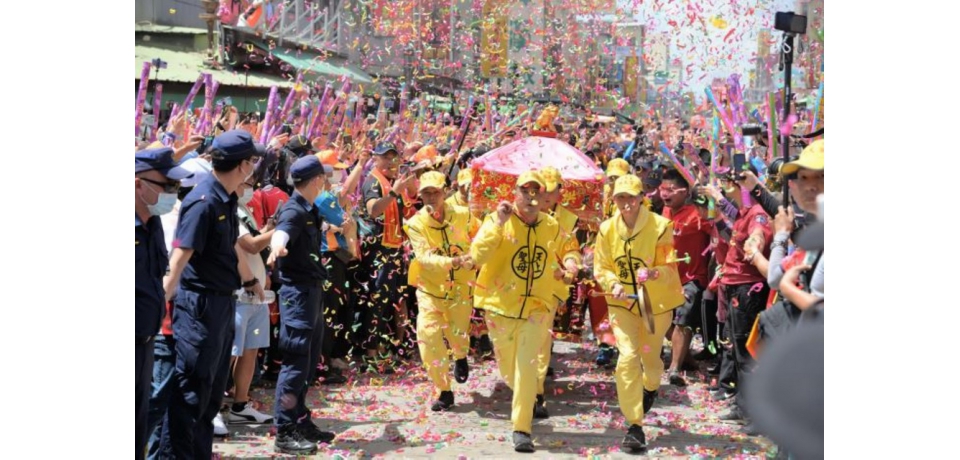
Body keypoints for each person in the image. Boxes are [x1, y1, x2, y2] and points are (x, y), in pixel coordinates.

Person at [161, 130, 263, 459]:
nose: (254, 168)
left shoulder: (226, 198)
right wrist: (159, 306)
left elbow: (230, 246)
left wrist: (248, 280)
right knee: (192, 394)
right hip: (199, 307)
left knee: (210, 395)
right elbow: (179, 259)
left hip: (222, 302)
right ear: (243, 164)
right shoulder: (204, 201)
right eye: (252, 161)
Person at [469, 171, 568, 453]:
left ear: (545, 197)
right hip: (500, 308)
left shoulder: (551, 225)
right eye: (525, 191)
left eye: (537, 192)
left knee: (527, 368)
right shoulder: (497, 219)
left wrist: (568, 269)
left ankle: (521, 428)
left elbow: (564, 254)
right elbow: (478, 256)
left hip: (536, 308)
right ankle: (525, 401)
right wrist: (497, 224)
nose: (531, 197)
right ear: (515, 193)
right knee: (508, 369)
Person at [593, 174, 686, 453]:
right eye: (620, 197)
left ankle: (650, 387)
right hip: (622, 305)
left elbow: (671, 268)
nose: (626, 203)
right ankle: (634, 425)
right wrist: (613, 284)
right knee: (628, 357)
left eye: (631, 197)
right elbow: (602, 266)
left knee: (652, 360)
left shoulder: (660, 227)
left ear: (641, 198)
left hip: (653, 304)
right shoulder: (606, 229)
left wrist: (656, 272)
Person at [266, 155, 336, 454]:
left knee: (307, 363)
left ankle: (300, 418)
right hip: (298, 296)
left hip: (311, 292)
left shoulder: (309, 208)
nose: (327, 182)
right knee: (295, 364)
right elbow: (282, 232)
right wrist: (276, 246)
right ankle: (285, 430)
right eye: (325, 178)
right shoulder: (294, 210)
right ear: (317, 180)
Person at [404, 171, 479, 411]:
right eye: (426, 193)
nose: (431, 197)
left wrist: (476, 258)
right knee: (428, 338)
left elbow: (480, 239)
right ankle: (443, 390)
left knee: (458, 332)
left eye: (435, 192)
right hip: (430, 289)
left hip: (460, 287)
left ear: (445, 191)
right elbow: (423, 257)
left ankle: (460, 356)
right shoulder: (415, 224)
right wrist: (451, 262)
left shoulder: (464, 215)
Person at [135, 147, 192, 460]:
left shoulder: (152, 223)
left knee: (138, 426)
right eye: (166, 186)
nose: (172, 193)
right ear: (137, 184)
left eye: (175, 187)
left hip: (146, 340)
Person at [358, 142, 417, 373]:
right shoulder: (373, 181)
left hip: (396, 250)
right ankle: (370, 355)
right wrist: (393, 192)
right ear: (376, 159)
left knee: (398, 300)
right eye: (387, 157)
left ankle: (392, 348)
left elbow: (410, 206)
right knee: (378, 302)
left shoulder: (395, 182)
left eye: (395, 157)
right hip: (378, 252)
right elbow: (373, 209)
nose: (392, 162)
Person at [225, 175, 276, 425]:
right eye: (245, 183)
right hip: (239, 293)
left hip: (257, 296)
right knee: (229, 354)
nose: (250, 189)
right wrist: (282, 229)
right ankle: (213, 409)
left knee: (250, 351)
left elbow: (255, 242)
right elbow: (251, 246)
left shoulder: (244, 209)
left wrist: (268, 229)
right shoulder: (229, 210)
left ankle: (240, 404)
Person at [534, 166, 582, 419]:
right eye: (540, 190)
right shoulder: (519, 214)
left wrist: (571, 262)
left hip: (548, 288)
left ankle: (536, 393)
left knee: (541, 341)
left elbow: (571, 248)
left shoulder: (567, 219)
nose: (545, 196)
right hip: (515, 288)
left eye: (550, 191)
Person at [659, 169, 713, 387]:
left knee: (683, 319)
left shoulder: (698, 214)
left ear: (685, 191)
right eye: (662, 189)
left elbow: (718, 227)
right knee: (661, 319)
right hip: (667, 277)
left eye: (670, 190)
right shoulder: (665, 211)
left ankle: (674, 368)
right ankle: (686, 357)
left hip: (693, 277)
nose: (664, 194)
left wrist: (710, 198)